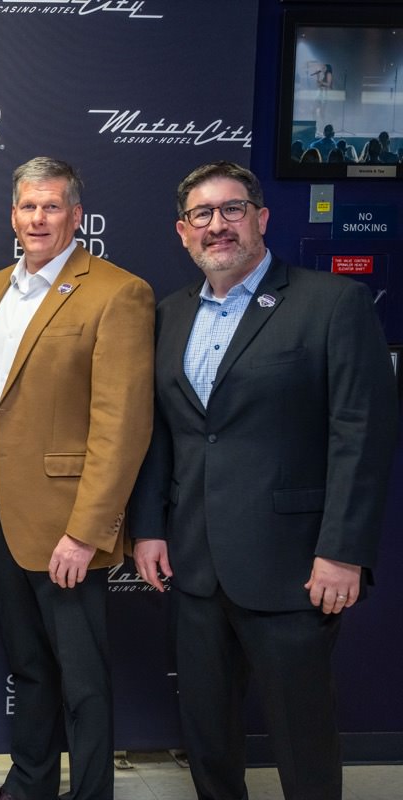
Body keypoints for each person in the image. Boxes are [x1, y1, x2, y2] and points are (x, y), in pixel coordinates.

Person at [130, 161, 398, 800]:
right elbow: (161, 434)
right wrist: (148, 529)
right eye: (202, 214)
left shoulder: (331, 302)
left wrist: (343, 551)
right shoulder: (169, 316)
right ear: (182, 231)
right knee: (207, 734)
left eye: (232, 209)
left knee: (303, 736)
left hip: (293, 567)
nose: (217, 225)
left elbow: (361, 435)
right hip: (195, 564)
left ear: (261, 218)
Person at [0, 157, 154, 800]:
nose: (38, 218)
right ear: (12, 216)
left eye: (52, 207)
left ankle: (92, 792)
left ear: (76, 216)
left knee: (82, 680)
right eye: (28, 207)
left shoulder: (118, 292)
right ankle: (31, 783)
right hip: (1, 510)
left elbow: (122, 426)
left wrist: (85, 532)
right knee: (28, 666)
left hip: (67, 525)